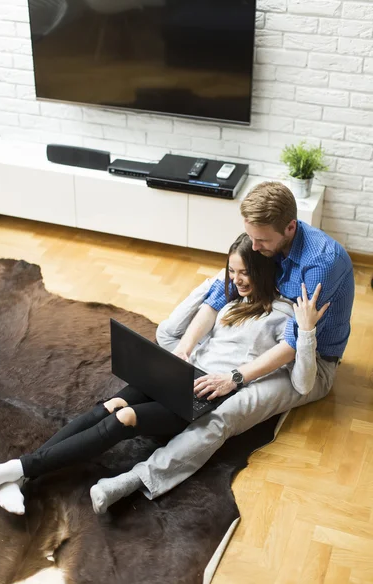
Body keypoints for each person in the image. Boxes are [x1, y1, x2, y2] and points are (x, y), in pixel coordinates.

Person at [0, 232, 325, 515]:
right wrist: (213, 287)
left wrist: (307, 331)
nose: (237, 279)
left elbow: (303, 382)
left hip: (206, 392)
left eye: (244, 272)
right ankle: (16, 477)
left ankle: (9, 471)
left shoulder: (286, 315)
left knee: (123, 418)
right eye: (231, 271)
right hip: (177, 373)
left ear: (263, 271)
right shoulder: (230, 297)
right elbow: (174, 328)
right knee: (108, 405)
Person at [90, 181, 354, 512]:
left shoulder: (321, 263)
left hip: (310, 358)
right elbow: (220, 295)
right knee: (181, 343)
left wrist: (236, 377)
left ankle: (137, 479)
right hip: (273, 324)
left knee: (226, 413)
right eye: (251, 237)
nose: (255, 247)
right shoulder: (268, 244)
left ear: (290, 227)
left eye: (262, 240)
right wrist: (190, 342)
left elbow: (294, 341)